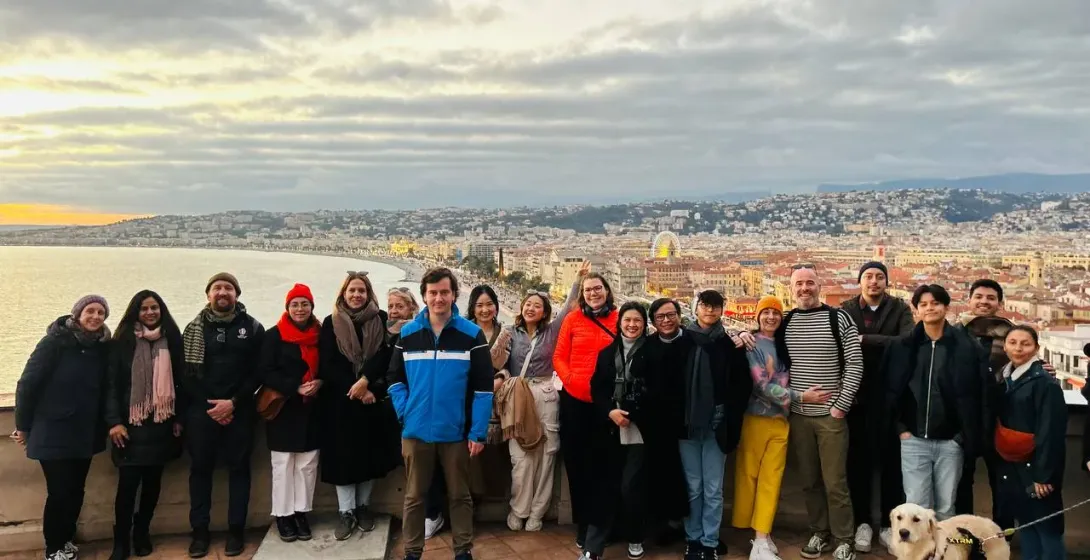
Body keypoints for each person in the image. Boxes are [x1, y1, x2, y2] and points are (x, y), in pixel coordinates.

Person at [387, 267, 494, 560]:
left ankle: (462, 551)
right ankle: (412, 552)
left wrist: (478, 432)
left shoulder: (471, 335)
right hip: (415, 430)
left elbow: (484, 388)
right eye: (433, 293)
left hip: (456, 432)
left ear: (454, 295)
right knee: (413, 498)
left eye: (444, 292)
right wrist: (405, 413)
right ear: (424, 296)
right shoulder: (408, 334)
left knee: (460, 496)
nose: (438, 298)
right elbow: (394, 378)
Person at [775, 266, 863, 560]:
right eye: (798, 283)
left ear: (819, 285)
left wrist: (841, 405)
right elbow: (764, 344)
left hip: (830, 417)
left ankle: (844, 538)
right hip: (798, 415)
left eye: (809, 283)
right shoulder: (786, 321)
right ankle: (819, 532)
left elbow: (854, 362)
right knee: (809, 481)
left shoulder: (838, 318)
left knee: (835, 482)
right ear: (791, 288)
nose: (804, 288)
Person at [14, 295, 112, 560]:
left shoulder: (102, 348)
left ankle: (66, 539)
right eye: (90, 311)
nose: (95, 317)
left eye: (101, 313)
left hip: (85, 432)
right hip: (53, 431)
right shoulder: (55, 342)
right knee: (59, 492)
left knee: (76, 490)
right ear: (77, 313)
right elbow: (27, 384)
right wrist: (22, 426)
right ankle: (53, 547)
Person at [734, 296, 831, 560]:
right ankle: (758, 538)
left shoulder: (784, 343)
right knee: (750, 479)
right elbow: (760, 386)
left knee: (771, 481)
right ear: (757, 316)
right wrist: (801, 396)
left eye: (775, 313)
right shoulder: (752, 343)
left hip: (781, 421)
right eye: (765, 312)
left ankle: (762, 537)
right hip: (755, 420)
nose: (770, 317)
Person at [180, 272, 265, 558]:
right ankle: (200, 532)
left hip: (240, 412)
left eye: (228, 288)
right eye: (217, 288)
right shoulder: (193, 329)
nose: (222, 292)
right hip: (201, 413)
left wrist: (233, 403)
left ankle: (236, 531)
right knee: (200, 471)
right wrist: (212, 406)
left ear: (236, 295)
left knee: (239, 470)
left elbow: (258, 372)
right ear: (208, 295)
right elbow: (186, 375)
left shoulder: (253, 328)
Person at [883, 285, 984, 521]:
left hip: (951, 441)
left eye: (935, 303)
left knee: (947, 506)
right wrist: (901, 429)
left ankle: (944, 554)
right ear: (916, 309)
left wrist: (961, 436)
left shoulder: (966, 347)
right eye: (924, 304)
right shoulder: (903, 346)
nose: (930, 308)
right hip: (913, 439)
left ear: (946, 307)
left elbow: (977, 394)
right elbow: (890, 390)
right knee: (915, 506)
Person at [499, 265, 584, 532]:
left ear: (545, 312)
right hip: (519, 394)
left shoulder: (552, 331)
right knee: (521, 458)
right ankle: (519, 509)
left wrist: (579, 279)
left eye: (537, 305)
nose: (531, 308)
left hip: (546, 394)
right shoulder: (510, 333)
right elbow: (496, 361)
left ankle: (537, 512)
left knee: (547, 457)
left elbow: (570, 305)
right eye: (528, 304)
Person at [320, 273, 402, 540]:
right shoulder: (329, 323)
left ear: (369, 294)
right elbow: (328, 363)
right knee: (343, 460)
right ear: (343, 293)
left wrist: (367, 384)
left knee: (369, 458)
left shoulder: (379, 319)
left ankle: (363, 507)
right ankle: (346, 512)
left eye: (362, 291)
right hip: (341, 402)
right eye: (352, 290)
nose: (356, 295)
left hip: (371, 399)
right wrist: (355, 388)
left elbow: (384, 355)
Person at [839, 262, 914, 552]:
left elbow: (907, 342)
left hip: (892, 398)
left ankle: (887, 525)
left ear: (886, 282)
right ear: (860, 282)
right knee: (856, 465)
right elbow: (841, 344)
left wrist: (863, 340)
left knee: (892, 468)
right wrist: (883, 343)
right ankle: (862, 524)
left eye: (879, 277)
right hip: (855, 398)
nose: (873, 282)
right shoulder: (846, 308)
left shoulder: (899, 308)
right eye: (868, 277)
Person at [105, 291, 185, 560]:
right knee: (127, 488)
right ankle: (121, 542)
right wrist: (114, 422)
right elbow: (111, 386)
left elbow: (181, 383)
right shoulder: (122, 342)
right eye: (144, 309)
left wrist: (179, 418)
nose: (150, 313)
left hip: (161, 425)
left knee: (152, 485)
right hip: (130, 427)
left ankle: (142, 533)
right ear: (135, 312)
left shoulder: (172, 340)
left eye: (155, 308)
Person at [674, 290, 752, 560]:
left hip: (717, 426)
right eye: (705, 306)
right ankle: (692, 538)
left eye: (715, 307)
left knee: (713, 489)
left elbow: (742, 386)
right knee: (693, 486)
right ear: (697, 309)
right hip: (686, 427)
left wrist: (729, 418)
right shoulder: (681, 342)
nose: (709, 311)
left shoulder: (730, 345)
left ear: (722, 310)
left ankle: (709, 540)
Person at [553, 272, 620, 549]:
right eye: (588, 289)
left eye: (598, 288)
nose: (593, 293)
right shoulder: (572, 319)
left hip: (607, 405)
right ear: (582, 294)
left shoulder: (619, 318)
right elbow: (558, 356)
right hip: (575, 402)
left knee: (606, 467)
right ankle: (584, 524)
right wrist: (571, 381)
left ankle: (605, 523)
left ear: (607, 291)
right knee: (577, 466)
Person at [582, 302, 654, 560]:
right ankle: (593, 548)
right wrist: (610, 412)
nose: (632, 325)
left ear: (644, 324)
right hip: (610, 427)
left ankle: (635, 536)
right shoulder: (606, 353)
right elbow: (597, 388)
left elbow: (658, 391)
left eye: (637, 320)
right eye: (627, 320)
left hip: (640, 430)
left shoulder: (653, 351)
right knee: (604, 486)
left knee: (630, 486)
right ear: (620, 322)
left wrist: (632, 413)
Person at [994, 326, 1067, 559]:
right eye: (1013, 342)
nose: (1018, 348)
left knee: (1048, 530)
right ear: (1004, 346)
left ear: (1036, 348)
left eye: (1025, 343)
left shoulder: (1045, 382)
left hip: (1035, 468)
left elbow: (1051, 432)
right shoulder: (1004, 377)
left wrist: (1043, 476)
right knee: (1026, 525)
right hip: (1013, 465)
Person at [259, 284, 323, 543]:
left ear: (311, 307)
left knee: (307, 465)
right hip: (284, 409)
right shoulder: (274, 336)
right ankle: (283, 515)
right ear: (287, 307)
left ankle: (300, 512)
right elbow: (264, 371)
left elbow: (328, 363)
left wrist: (320, 382)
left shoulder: (320, 335)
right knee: (283, 465)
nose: (300, 309)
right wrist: (294, 387)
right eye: (295, 304)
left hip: (312, 409)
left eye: (304, 304)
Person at [389, 287, 447, 540]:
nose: (394, 311)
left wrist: (407, 410)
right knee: (413, 469)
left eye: (399, 306)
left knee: (428, 467)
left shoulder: (415, 334)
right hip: (400, 410)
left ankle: (432, 514)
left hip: (420, 412)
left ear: (413, 307)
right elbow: (392, 374)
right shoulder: (385, 332)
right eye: (390, 306)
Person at [641, 299, 692, 546]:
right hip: (655, 424)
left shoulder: (693, 341)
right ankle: (662, 525)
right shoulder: (647, 346)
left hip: (687, 421)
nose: (666, 320)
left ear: (679, 316)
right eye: (660, 317)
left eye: (670, 315)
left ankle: (687, 527)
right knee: (659, 475)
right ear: (652, 322)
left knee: (689, 478)